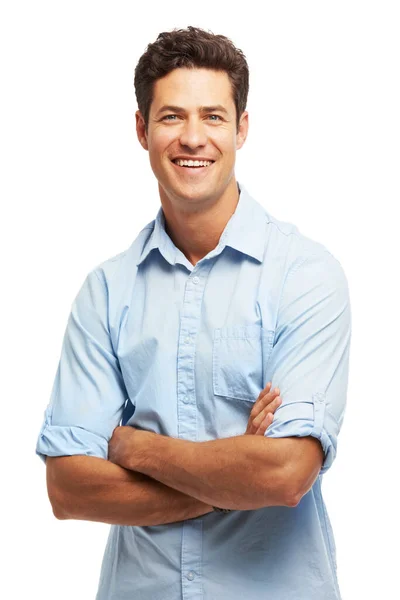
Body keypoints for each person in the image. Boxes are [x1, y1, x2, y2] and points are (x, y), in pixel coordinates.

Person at [35, 25, 351, 600]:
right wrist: (229, 477)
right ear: (142, 130)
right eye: (172, 117)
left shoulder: (305, 276)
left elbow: (284, 475)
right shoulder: (106, 291)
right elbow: (70, 489)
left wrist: (133, 448)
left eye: (212, 116)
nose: (193, 138)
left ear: (241, 129)